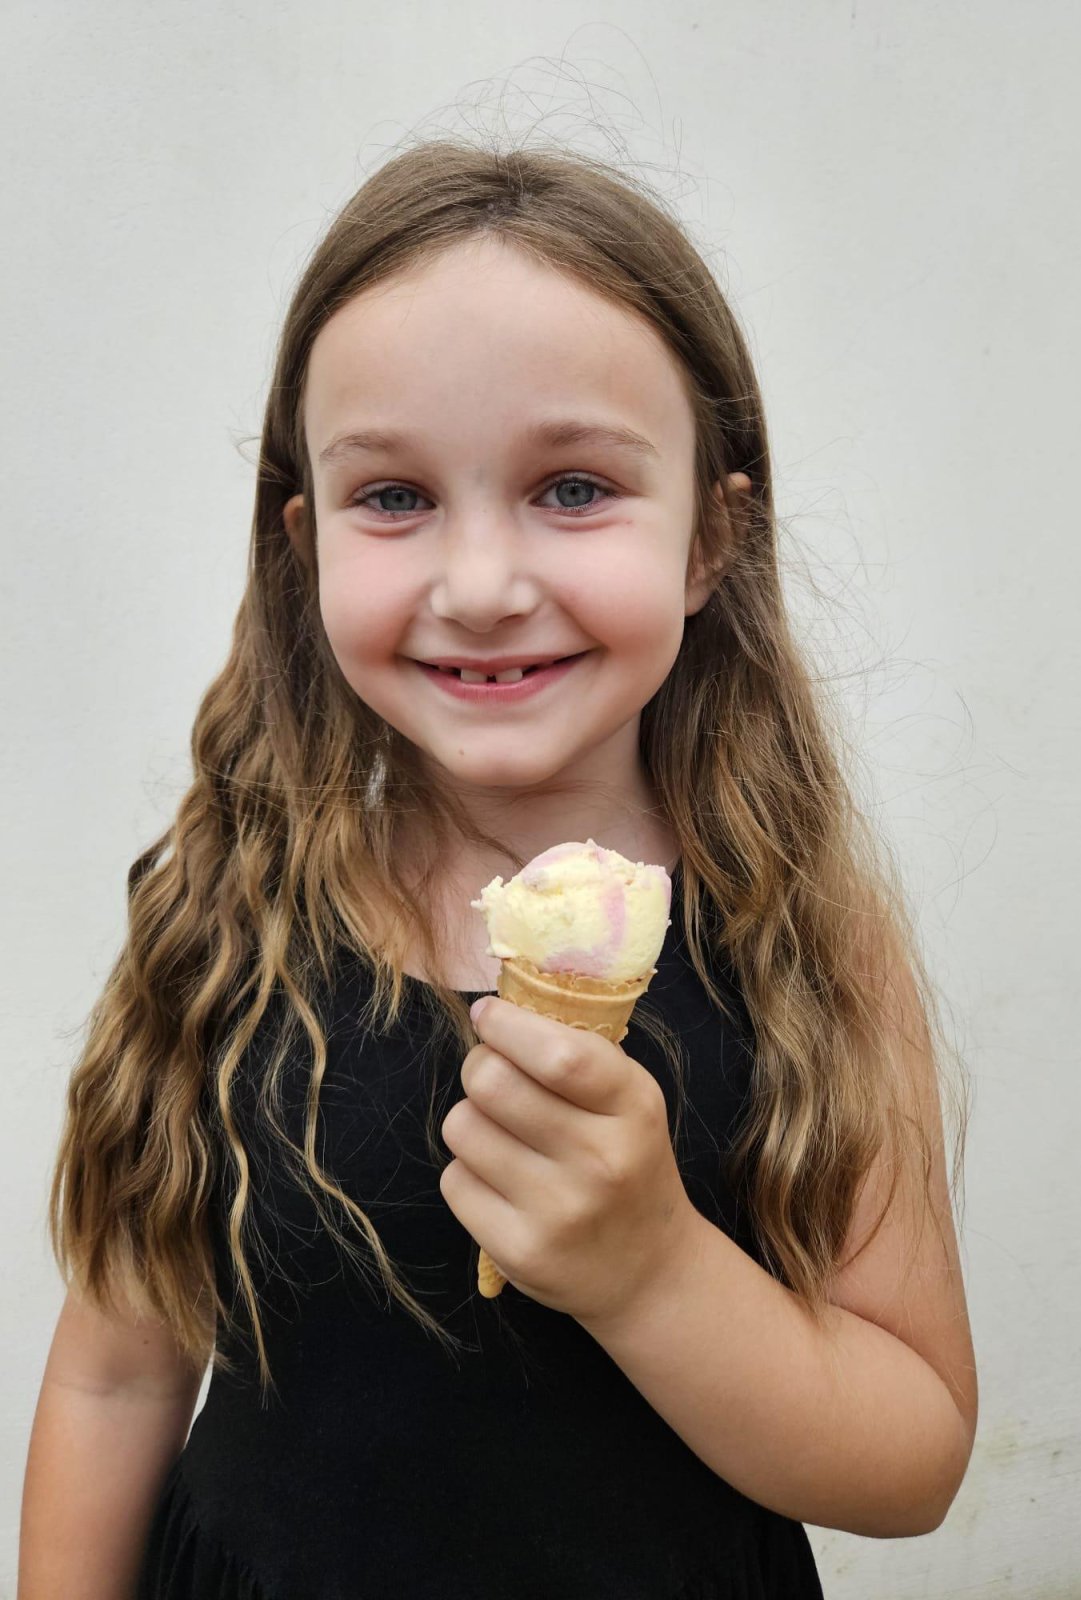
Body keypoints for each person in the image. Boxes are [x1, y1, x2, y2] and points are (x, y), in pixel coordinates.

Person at [20, 137, 978, 1599]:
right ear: (305, 545)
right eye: (394, 497)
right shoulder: (221, 915)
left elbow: (914, 1461)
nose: (478, 586)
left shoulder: (804, 941)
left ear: (711, 539)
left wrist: (655, 1273)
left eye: (575, 488)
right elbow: (115, 1379)